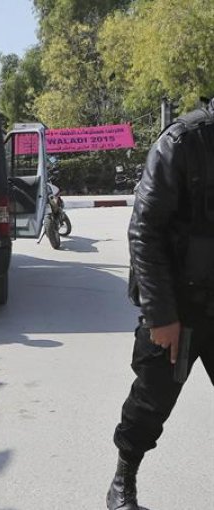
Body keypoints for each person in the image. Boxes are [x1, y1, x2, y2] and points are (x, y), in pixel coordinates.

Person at [105, 99, 214, 509]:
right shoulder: (183, 142)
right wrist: (161, 315)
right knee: (150, 406)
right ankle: (123, 482)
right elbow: (144, 232)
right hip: (178, 309)